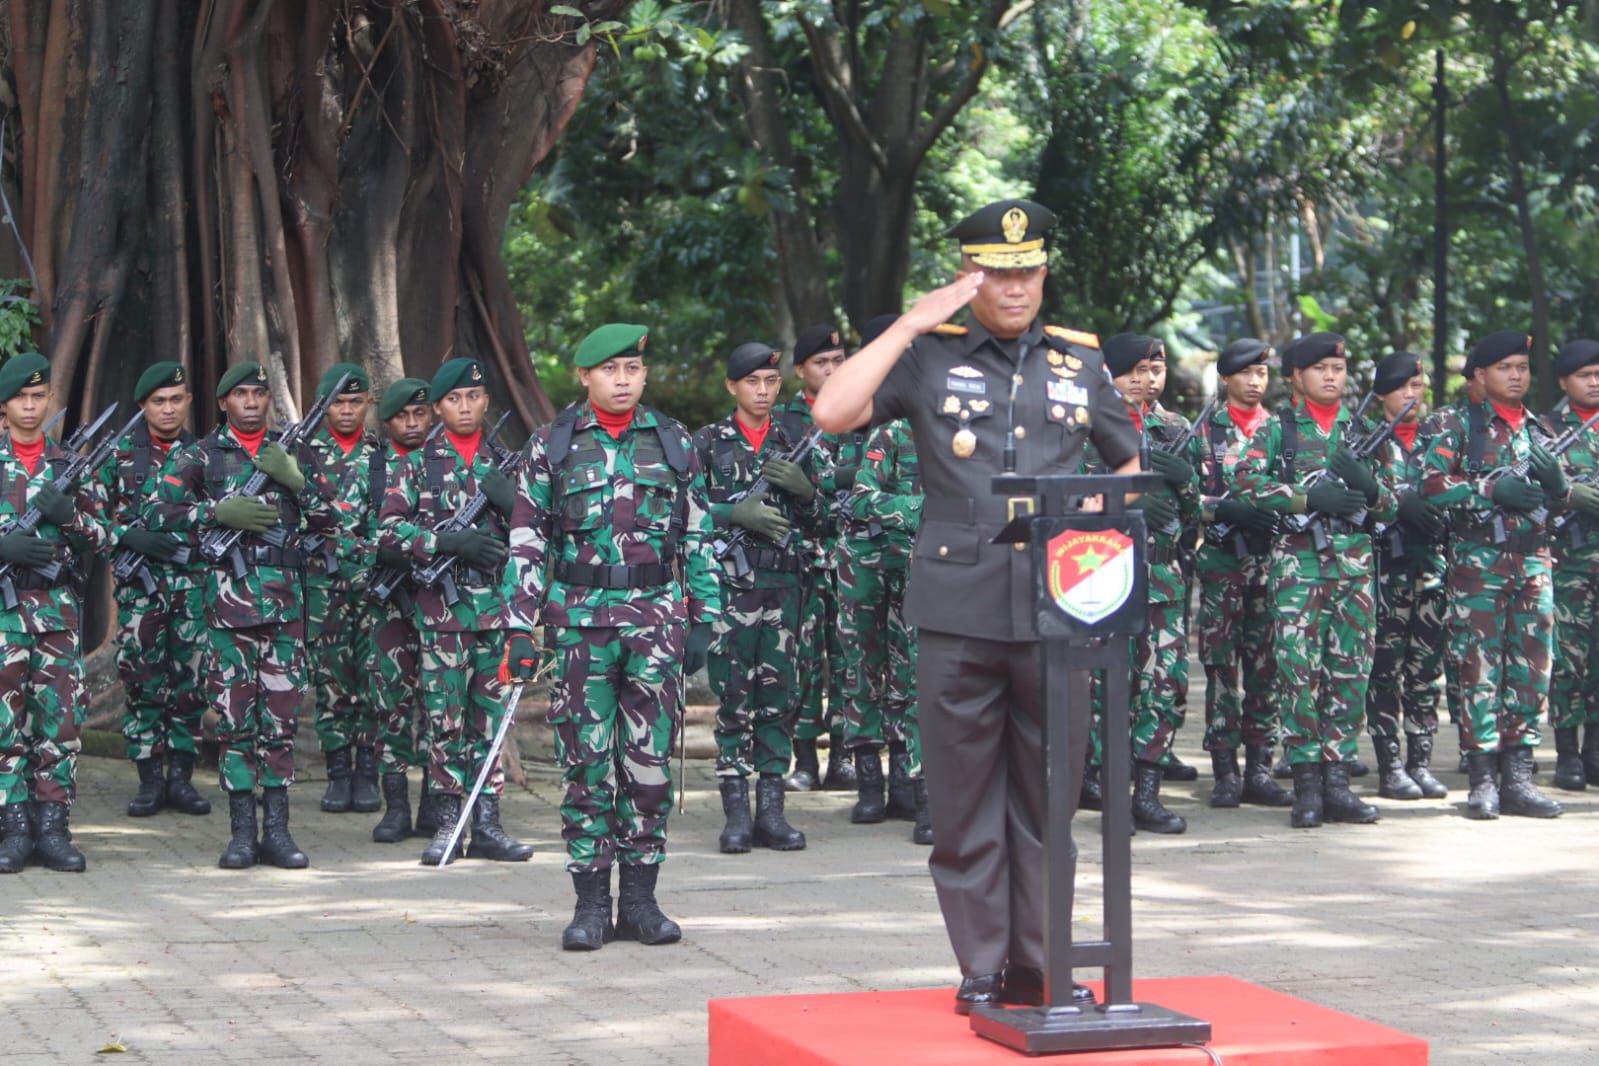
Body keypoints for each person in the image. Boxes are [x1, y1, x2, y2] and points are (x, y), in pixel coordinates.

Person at [812, 199, 1141, 1015]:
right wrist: (908, 324)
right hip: (956, 606)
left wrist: (1104, 525)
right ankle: (982, 964)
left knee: (1048, 799)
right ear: (969, 275)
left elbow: (1127, 460)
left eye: (1027, 270)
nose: (1015, 286)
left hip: (1057, 612)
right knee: (961, 804)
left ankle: (1042, 961)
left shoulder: (1079, 363)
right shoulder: (927, 358)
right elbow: (832, 411)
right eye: (996, 271)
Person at [506, 323, 721, 951]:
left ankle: (643, 902)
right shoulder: (553, 445)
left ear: (644, 375)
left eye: (632, 369)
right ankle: (591, 905)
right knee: (586, 765)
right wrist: (519, 628)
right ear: (585, 377)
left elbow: (700, 534)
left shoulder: (676, 442)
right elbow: (527, 538)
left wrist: (705, 617)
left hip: (655, 622)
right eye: (609, 370)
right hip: (579, 626)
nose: (622, 380)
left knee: (648, 766)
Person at [153, 361, 336, 869]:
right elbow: (156, 512)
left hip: (285, 609)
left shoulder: (293, 450)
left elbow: (333, 518)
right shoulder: (201, 455)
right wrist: (212, 513)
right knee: (235, 723)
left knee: (279, 721)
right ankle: (240, 835)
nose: (252, 402)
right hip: (227, 609)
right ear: (223, 403)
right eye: (242, 395)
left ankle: (276, 831)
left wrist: (296, 481)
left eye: (260, 393)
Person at [1232, 333, 1393, 828]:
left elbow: (1393, 503)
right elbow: (1244, 487)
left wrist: (1368, 487)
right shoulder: (1279, 431)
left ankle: (1338, 782)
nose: (1331, 376)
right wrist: (1305, 499)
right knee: (1299, 674)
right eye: (1320, 368)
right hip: (1298, 568)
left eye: (1338, 369)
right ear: (1295, 377)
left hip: (1355, 569)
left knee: (1350, 674)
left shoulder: (1363, 430)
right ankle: (1305, 784)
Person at [378, 358, 532, 865]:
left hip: (497, 611)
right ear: (438, 408)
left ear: (487, 401)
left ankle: (487, 823)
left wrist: (515, 508)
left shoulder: (509, 463)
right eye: (453, 400)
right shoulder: (415, 464)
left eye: (473, 397)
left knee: (491, 721)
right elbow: (387, 532)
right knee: (445, 721)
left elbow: (540, 538)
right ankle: (449, 822)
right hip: (443, 614)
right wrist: (445, 540)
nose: (464, 407)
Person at [1422, 331, 1565, 819]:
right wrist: (1490, 488)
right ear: (1480, 375)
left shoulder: (1541, 430)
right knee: (1479, 671)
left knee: (1531, 671)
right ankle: (1483, 780)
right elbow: (1432, 486)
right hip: (1479, 567)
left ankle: (1519, 778)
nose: (1517, 375)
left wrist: (1558, 486)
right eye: (1505, 367)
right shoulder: (1458, 424)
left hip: (1533, 563)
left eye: (1523, 366)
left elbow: (1560, 499)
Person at [693, 342, 821, 854]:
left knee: (780, 697)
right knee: (733, 699)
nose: (763, 391)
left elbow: (831, 516)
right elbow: (686, 512)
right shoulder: (707, 443)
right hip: (731, 589)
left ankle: (772, 811)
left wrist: (808, 492)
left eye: (771, 382)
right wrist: (731, 514)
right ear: (732, 387)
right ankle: (736, 814)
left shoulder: (799, 440)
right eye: (752, 383)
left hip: (785, 588)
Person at [0, 353, 112, 872]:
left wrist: (71, 518)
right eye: (20, 398)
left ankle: (53, 827)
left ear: (48, 402)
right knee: (5, 726)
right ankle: (13, 827)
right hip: (3, 618)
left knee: (60, 724)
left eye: (37, 397)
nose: (29, 406)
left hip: (58, 617)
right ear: (5, 405)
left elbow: (105, 537)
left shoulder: (70, 466)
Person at [101, 362, 210, 818]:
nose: (168, 409)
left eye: (176, 399)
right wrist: (127, 537)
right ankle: (148, 780)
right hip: (140, 591)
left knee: (189, 683)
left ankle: (182, 780)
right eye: (158, 402)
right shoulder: (118, 454)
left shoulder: (208, 454)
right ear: (143, 406)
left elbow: (228, 512)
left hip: (191, 586)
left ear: (188, 401)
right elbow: (86, 519)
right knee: (142, 680)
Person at [1098, 333, 1197, 834]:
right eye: (1134, 371)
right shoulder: (1090, 424)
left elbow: (1199, 510)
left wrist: (1186, 482)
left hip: (1162, 573)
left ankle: (1148, 793)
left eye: (1154, 371)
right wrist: (1129, 497)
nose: (1145, 381)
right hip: (1102, 572)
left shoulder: (1176, 427)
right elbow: (1072, 498)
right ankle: (1105, 790)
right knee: (1107, 687)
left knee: (1163, 683)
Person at [1188, 339, 1290, 808]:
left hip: (1269, 564)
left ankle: (1261, 767)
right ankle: (1226, 770)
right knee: (1222, 671)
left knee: (1266, 668)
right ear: (1226, 378)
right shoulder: (1202, 432)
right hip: (1221, 563)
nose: (1255, 383)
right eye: (1246, 374)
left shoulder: (1280, 430)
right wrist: (1220, 507)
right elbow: (1182, 497)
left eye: (1262, 374)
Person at [838, 401, 926, 838]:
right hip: (866, 561)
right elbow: (862, 496)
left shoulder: (959, 436)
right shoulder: (893, 432)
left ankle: (908, 781)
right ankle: (869, 780)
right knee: (863, 667)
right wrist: (923, 507)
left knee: (914, 671)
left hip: (920, 564)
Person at [1364, 352, 1449, 800]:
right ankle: (1390, 764)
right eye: (1402, 388)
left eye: (1418, 387)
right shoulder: (1367, 440)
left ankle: (1420, 760)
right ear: (1382, 395)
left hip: (1432, 568)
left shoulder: (1440, 436)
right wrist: (1398, 502)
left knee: (1425, 668)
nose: (1411, 396)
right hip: (1386, 570)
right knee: (1385, 668)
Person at [779, 325, 861, 793]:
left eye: (838, 360)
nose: (831, 370)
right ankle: (805, 758)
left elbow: (876, 471)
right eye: (821, 363)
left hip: (854, 556)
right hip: (804, 557)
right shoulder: (787, 421)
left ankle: (846, 756)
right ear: (800, 371)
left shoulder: (862, 412)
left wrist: (827, 483)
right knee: (804, 662)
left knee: (850, 658)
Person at [305, 363, 384, 815]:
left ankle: (368, 772)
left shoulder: (381, 455)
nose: (348, 410)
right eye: (340, 402)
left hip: (372, 584)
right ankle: (337, 772)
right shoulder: (305, 457)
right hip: (325, 585)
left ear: (368, 404)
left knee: (373, 676)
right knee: (331, 681)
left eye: (356, 402)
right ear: (325, 406)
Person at [366, 378, 435, 842]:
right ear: (388, 422)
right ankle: (395, 806)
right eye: (401, 417)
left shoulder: (443, 463)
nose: (412, 424)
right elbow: (348, 529)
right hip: (391, 601)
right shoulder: (373, 467)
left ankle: (434, 803)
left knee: (439, 703)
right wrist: (383, 552)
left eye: (419, 414)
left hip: (442, 602)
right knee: (391, 703)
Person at [1548, 339, 1599, 790]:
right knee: (1569, 659)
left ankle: (1595, 751)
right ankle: (1566, 752)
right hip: (1568, 562)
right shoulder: (1546, 429)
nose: (1595, 382)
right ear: (1565, 382)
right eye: (1585, 375)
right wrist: (1567, 494)